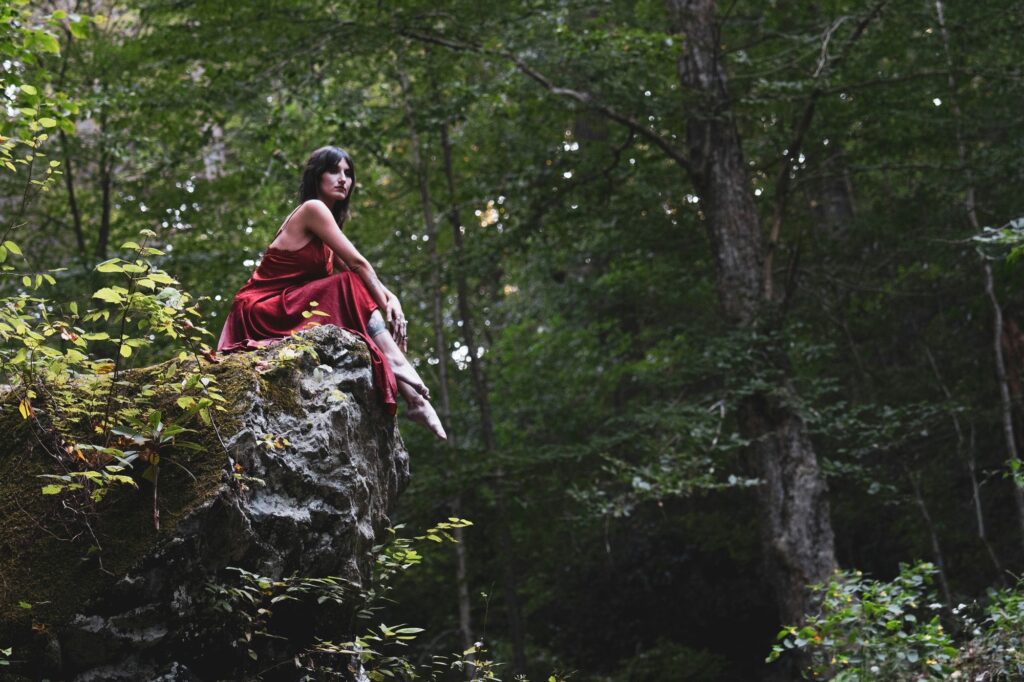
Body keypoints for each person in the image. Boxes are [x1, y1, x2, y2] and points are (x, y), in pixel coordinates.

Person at [217, 146, 446, 440]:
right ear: (316, 176)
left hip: (286, 305)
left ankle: (412, 394)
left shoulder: (326, 226)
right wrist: (384, 306)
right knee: (347, 282)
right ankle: (402, 371)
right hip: (260, 308)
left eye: (348, 174)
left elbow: (358, 269)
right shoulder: (313, 209)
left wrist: (393, 299)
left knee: (350, 282)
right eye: (334, 171)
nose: (343, 180)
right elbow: (357, 265)